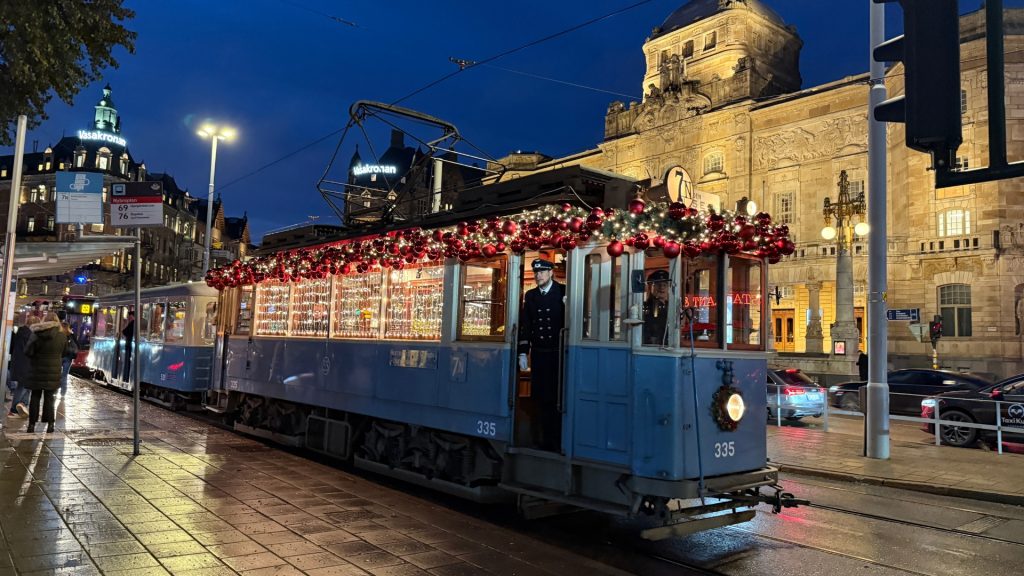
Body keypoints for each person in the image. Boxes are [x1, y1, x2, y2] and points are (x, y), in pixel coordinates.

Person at [518, 258, 565, 452]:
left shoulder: (563, 291)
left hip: (558, 353)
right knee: (539, 398)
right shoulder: (531, 296)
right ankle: (541, 440)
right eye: (536, 272)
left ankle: (556, 440)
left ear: (551, 273)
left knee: (556, 398)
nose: (538, 275)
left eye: (542, 272)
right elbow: (526, 325)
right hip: (539, 353)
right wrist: (523, 351)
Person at [24, 312, 64, 433]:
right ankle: (50, 425)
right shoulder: (62, 336)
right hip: (53, 371)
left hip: (37, 370)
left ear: (44, 320)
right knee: (50, 398)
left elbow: (28, 351)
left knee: (35, 397)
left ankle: (31, 425)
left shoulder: (36, 333)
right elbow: (65, 351)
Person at [7, 315, 36, 419]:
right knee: (22, 387)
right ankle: (14, 410)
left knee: (26, 386)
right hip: (26, 364)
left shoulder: (21, 332)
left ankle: (23, 407)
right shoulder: (29, 335)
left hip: (21, 363)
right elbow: (31, 351)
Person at [643, 270, 670, 345]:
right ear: (650, 287)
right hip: (652, 347)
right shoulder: (645, 306)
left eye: (665, 284)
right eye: (657, 284)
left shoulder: (671, 306)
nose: (661, 287)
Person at [59, 322, 79, 397]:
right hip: (68, 358)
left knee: (57, 374)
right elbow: (77, 345)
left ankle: (55, 390)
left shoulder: (59, 334)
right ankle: (63, 393)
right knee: (64, 376)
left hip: (60, 356)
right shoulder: (71, 335)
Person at [120, 310, 135, 382]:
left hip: (129, 344)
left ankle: (126, 376)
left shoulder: (132, 323)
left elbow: (124, 332)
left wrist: (124, 324)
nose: (129, 318)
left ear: (132, 316)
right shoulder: (138, 323)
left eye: (129, 316)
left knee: (127, 359)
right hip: (131, 344)